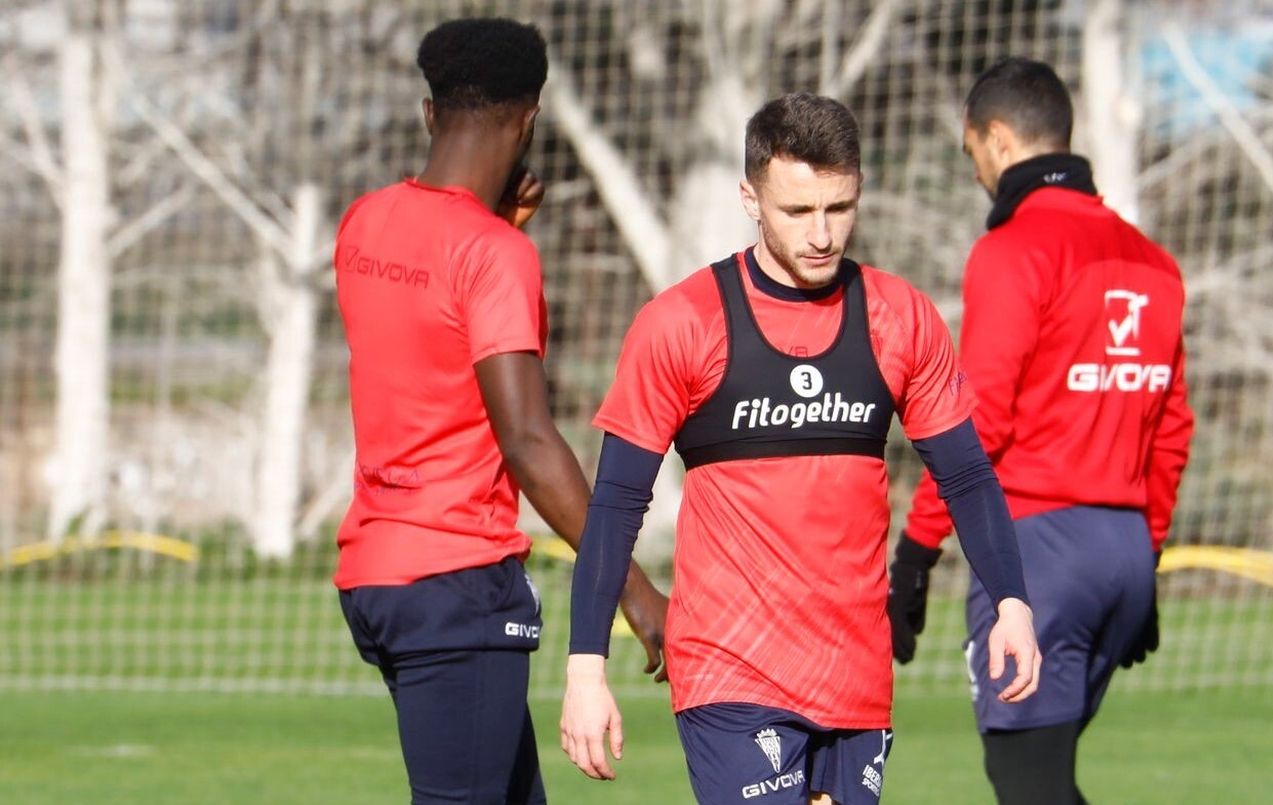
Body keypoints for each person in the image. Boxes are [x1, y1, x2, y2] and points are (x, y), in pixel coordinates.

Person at [557, 92, 1042, 804]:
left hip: (856, 675)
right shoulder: (683, 322)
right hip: (730, 671)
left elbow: (966, 475)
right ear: (750, 198)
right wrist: (585, 668)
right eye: (797, 211)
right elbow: (617, 502)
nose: (821, 234)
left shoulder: (900, 317)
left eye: (838, 208)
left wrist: (1012, 602)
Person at [331, 17, 668, 805]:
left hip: (377, 573)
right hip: (456, 580)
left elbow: (426, 341)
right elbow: (527, 439)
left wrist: (497, 227)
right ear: (529, 121)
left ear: (429, 113)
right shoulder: (494, 256)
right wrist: (631, 589)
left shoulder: (363, 223)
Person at [886, 58, 1194, 805]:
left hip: (1040, 557)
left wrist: (918, 550)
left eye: (971, 153)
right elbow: (1172, 429)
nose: (975, 173)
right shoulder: (1154, 262)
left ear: (997, 139)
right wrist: (1145, 555)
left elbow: (977, 419)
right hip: (1123, 553)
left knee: (1028, 782)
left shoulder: (1014, 250)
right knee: (1044, 780)